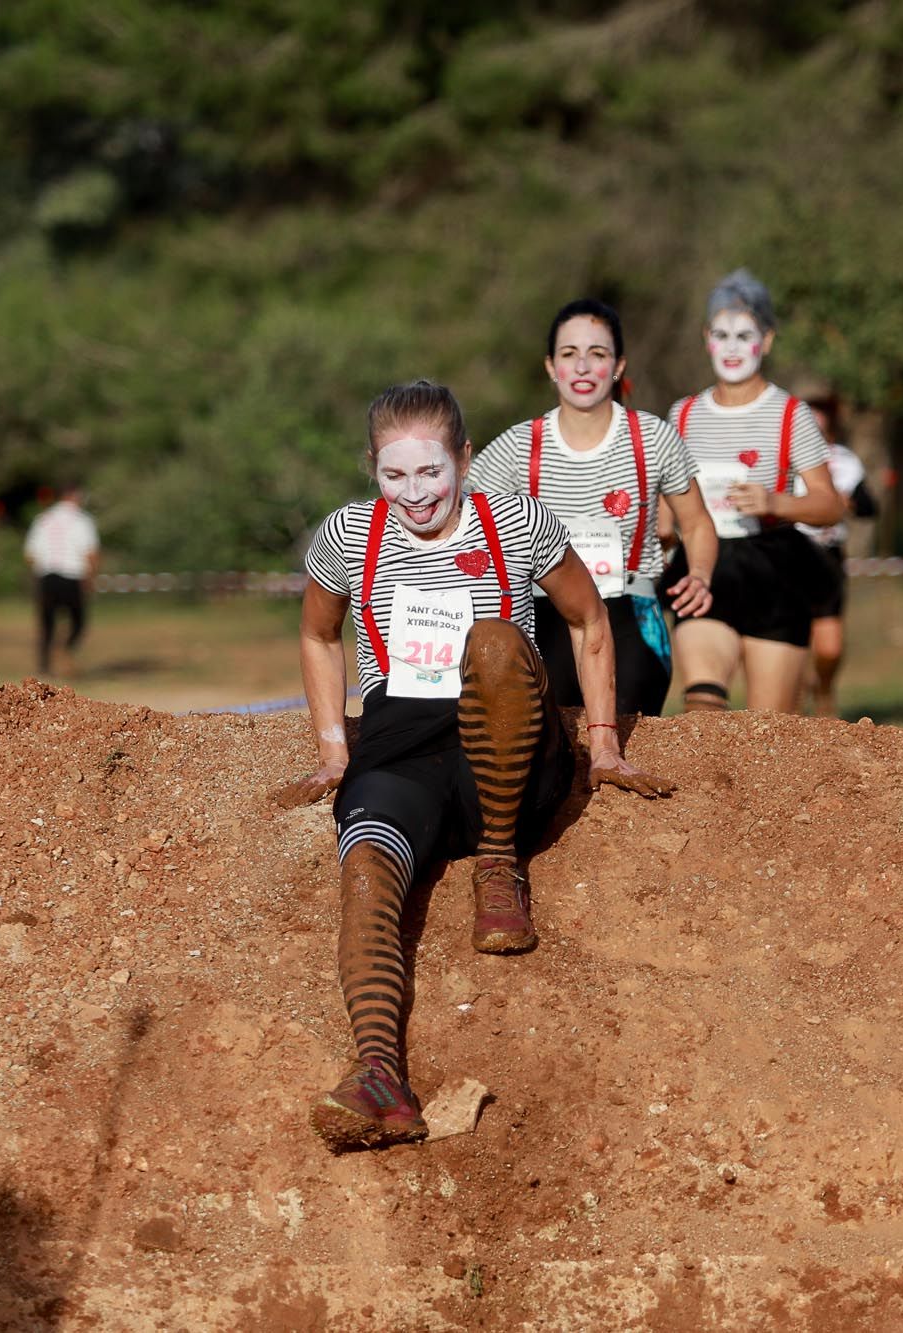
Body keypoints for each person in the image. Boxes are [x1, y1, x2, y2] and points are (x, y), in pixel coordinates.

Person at [275, 380, 673, 1152]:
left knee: (493, 643)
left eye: (431, 473)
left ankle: (499, 861)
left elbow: (590, 618)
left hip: (508, 738)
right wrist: (332, 746)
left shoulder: (517, 519)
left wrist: (605, 742)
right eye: (395, 476)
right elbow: (320, 634)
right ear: (372, 469)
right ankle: (379, 1073)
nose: (415, 493)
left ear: (463, 457)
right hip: (400, 738)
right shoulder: (348, 535)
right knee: (363, 868)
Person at [469, 298, 718, 714]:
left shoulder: (652, 437)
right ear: (551, 366)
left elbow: (696, 524)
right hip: (542, 608)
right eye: (570, 354)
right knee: (545, 735)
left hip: (628, 607)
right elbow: (466, 520)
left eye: (597, 354)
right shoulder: (517, 446)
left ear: (619, 364)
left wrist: (701, 575)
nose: (582, 367)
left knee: (624, 723)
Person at [662, 270, 846, 712]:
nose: (730, 346)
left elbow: (831, 505)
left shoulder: (790, 413)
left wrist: (774, 501)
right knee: (702, 710)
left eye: (744, 335)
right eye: (721, 334)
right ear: (707, 338)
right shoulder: (683, 414)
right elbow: (667, 509)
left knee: (770, 738)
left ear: (765, 341)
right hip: (705, 568)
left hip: (774, 570)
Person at [793, 391, 879, 717]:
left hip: (828, 555)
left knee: (829, 646)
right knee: (791, 639)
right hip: (789, 552)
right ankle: (795, 704)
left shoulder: (844, 461)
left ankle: (824, 687)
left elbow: (870, 506)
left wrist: (849, 502)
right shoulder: (782, 458)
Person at [23, 481, 100, 676]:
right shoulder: (82, 520)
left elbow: (30, 554)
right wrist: (91, 578)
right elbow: (90, 553)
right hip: (72, 576)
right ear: (76, 496)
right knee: (78, 621)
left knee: (46, 623)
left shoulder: (43, 519)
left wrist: (37, 574)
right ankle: (65, 649)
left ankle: (44, 666)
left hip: (47, 576)